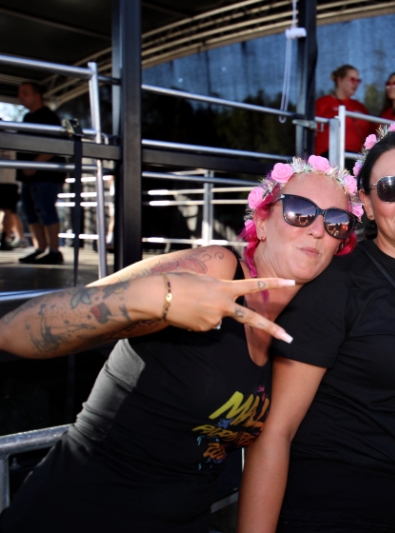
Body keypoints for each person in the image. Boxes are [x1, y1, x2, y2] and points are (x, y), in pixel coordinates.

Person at [0, 156, 362, 533]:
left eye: (336, 222)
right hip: (77, 513)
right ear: (262, 222)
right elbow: (25, 327)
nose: (317, 230)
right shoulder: (216, 270)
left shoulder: (296, 328)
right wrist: (160, 296)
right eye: (300, 211)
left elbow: (271, 445)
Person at [238, 128, 395, 533]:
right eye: (391, 188)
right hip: (335, 512)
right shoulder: (337, 283)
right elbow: (275, 433)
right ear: (368, 206)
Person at [15, 82, 66, 264]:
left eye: (25, 93)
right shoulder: (27, 117)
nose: (20, 96)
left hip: (46, 175)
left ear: (37, 95)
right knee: (31, 213)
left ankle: (54, 250)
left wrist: (35, 164)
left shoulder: (48, 116)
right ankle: (41, 248)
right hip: (29, 176)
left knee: (45, 210)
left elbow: (57, 145)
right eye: (20, 93)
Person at [314, 65, 373, 166]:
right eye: (352, 79)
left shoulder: (360, 107)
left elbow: (373, 133)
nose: (355, 83)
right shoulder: (322, 103)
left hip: (357, 159)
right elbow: (311, 133)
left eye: (358, 81)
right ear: (340, 80)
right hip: (327, 158)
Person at [0, 147, 24, 249]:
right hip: (10, 182)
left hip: (10, 181)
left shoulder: (15, 142)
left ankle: (4, 239)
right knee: (8, 212)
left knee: (8, 212)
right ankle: (5, 239)